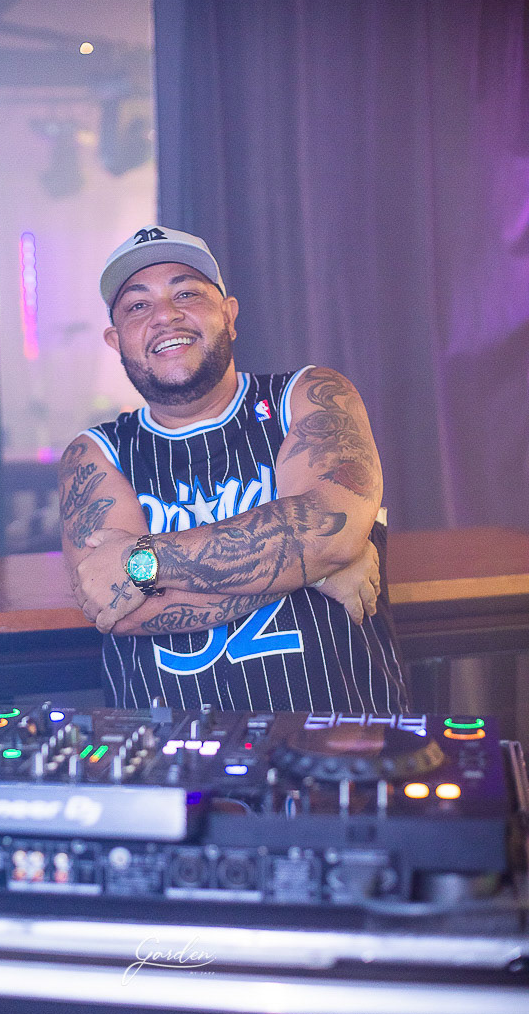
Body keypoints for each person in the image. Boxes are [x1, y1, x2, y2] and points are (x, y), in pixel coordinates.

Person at [60, 226, 408, 714]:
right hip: (164, 744)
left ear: (228, 314)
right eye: (138, 305)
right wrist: (310, 570)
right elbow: (112, 604)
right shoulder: (95, 453)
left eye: (186, 293)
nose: (165, 314)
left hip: (340, 733)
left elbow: (328, 534)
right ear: (116, 341)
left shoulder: (308, 395)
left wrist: (143, 562)